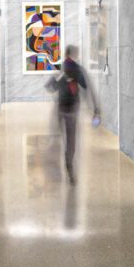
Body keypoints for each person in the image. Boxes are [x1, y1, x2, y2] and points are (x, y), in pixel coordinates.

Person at [49, 45, 99, 185]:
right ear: (73, 54)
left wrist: (58, 79)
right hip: (70, 109)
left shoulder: (63, 68)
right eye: (76, 53)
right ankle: (68, 164)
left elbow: (50, 88)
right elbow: (88, 89)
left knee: (66, 139)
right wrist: (95, 109)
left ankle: (68, 163)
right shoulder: (76, 68)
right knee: (70, 141)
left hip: (63, 109)